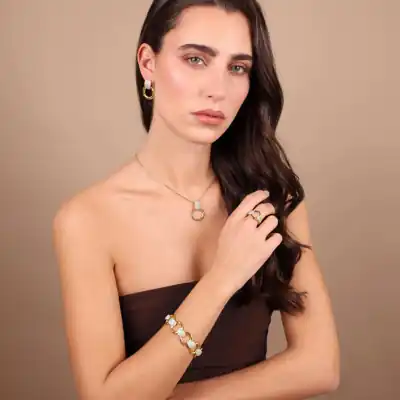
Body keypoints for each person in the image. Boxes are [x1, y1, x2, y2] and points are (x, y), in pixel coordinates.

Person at [53, 1, 340, 399]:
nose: (217, 90)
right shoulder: (87, 219)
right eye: (195, 59)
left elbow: (320, 367)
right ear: (148, 63)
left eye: (237, 67)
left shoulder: (272, 198)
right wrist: (221, 279)